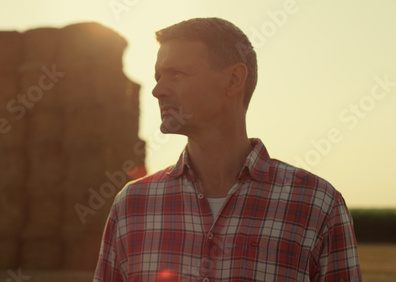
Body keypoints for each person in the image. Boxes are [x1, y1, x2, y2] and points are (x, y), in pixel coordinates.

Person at [94, 17, 361, 281]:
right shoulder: (131, 206)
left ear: (234, 80)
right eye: (158, 76)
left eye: (176, 74)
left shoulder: (317, 205)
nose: (157, 90)